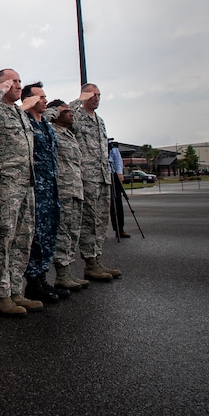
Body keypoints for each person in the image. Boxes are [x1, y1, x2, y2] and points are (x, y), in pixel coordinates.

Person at [0, 69, 43, 316]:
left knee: (22, 239)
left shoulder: (18, 111)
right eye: (13, 81)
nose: (18, 85)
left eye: (19, 81)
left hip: (24, 185)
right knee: (1, 241)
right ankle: (0, 296)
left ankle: (16, 291)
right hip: (3, 186)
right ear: (0, 85)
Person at [69, 84, 122, 282]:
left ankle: (97, 259)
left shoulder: (100, 121)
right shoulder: (77, 115)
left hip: (103, 177)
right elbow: (59, 114)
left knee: (101, 221)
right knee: (89, 221)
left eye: (99, 95)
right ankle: (90, 262)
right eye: (92, 95)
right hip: (87, 176)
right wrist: (79, 99)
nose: (96, 98)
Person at [20, 82, 67, 304]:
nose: (44, 100)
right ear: (28, 100)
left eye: (45, 96)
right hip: (35, 188)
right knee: (36, 237)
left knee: (48, 233)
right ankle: (33, 282)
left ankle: (42, 277)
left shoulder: (46, 124)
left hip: (50, 187)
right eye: (40, 97)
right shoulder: (25, 122)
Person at [45, 100, 89, 292]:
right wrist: (54, 111)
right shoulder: (51, 131)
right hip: (62, 190)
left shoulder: (70, 134)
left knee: (73, 231)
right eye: (66, 111)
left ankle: (69, 271)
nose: (71, 113)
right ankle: (61, 274)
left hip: (75, 189)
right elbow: (40, 121)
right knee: (63, 232)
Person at [108, 139, 130, 238]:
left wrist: (119, 172)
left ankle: (119, 229)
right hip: (97, 174)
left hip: (112, 174)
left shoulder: (110, 144)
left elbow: (117, 158)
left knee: (117, 203)